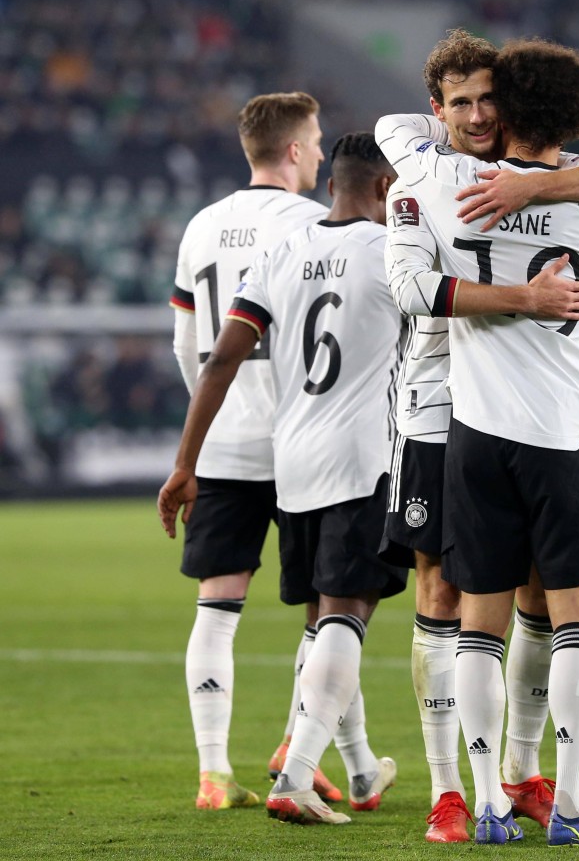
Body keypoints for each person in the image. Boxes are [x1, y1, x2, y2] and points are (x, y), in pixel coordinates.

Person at [380, 29, 579, 843]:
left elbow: (414, 281)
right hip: (560, 431)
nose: (472, 113)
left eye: (484, 99)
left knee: (478, 619)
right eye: (458, 102)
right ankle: (565, 804)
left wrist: (513, 205)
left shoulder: (439, 181)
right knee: (576, 615)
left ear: (505, 106)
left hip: (471, 430)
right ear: (577, 115)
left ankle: (493, 802)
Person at [160, 132, 409, 824]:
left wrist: (186, 463)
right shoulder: (394, 252)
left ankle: (356, 768)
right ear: (388, 189)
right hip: (362, 458)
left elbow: (215, 362)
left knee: (319, 612)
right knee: (345, 613)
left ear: (331, 182)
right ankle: (297, 774)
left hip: (288, 461)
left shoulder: (279, 252)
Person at [168, 91, 343, 810]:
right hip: (302, 443)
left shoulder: (202, 225)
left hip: (224, 441)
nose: (325, 151)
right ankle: (295, 752)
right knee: (325, 607)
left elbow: (189, 346)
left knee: (216, 605)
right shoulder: (315, 223)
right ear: (297, 150)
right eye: (319, 140)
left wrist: (210, 420)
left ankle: (213, 773)